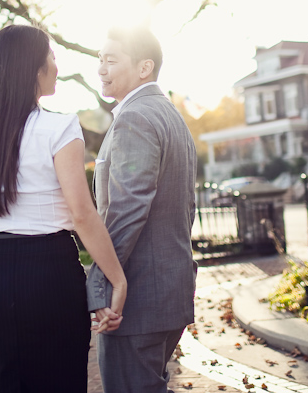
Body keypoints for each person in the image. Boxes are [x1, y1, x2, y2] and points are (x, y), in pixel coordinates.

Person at [0, 24, 126, 393]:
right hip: (51, 275)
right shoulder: (60, 128)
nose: (57, 66)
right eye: (53, 57)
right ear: (34, 68)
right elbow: (82, 214)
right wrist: (117, 278)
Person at [87, 26, 198, 393]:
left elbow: (127, 209)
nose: (101, 69)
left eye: (111, 60)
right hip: (168, 291)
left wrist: (102, 286)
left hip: (137, 299)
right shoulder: (171, 116)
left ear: (144, 67)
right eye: (99, 60)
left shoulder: (135, 118)